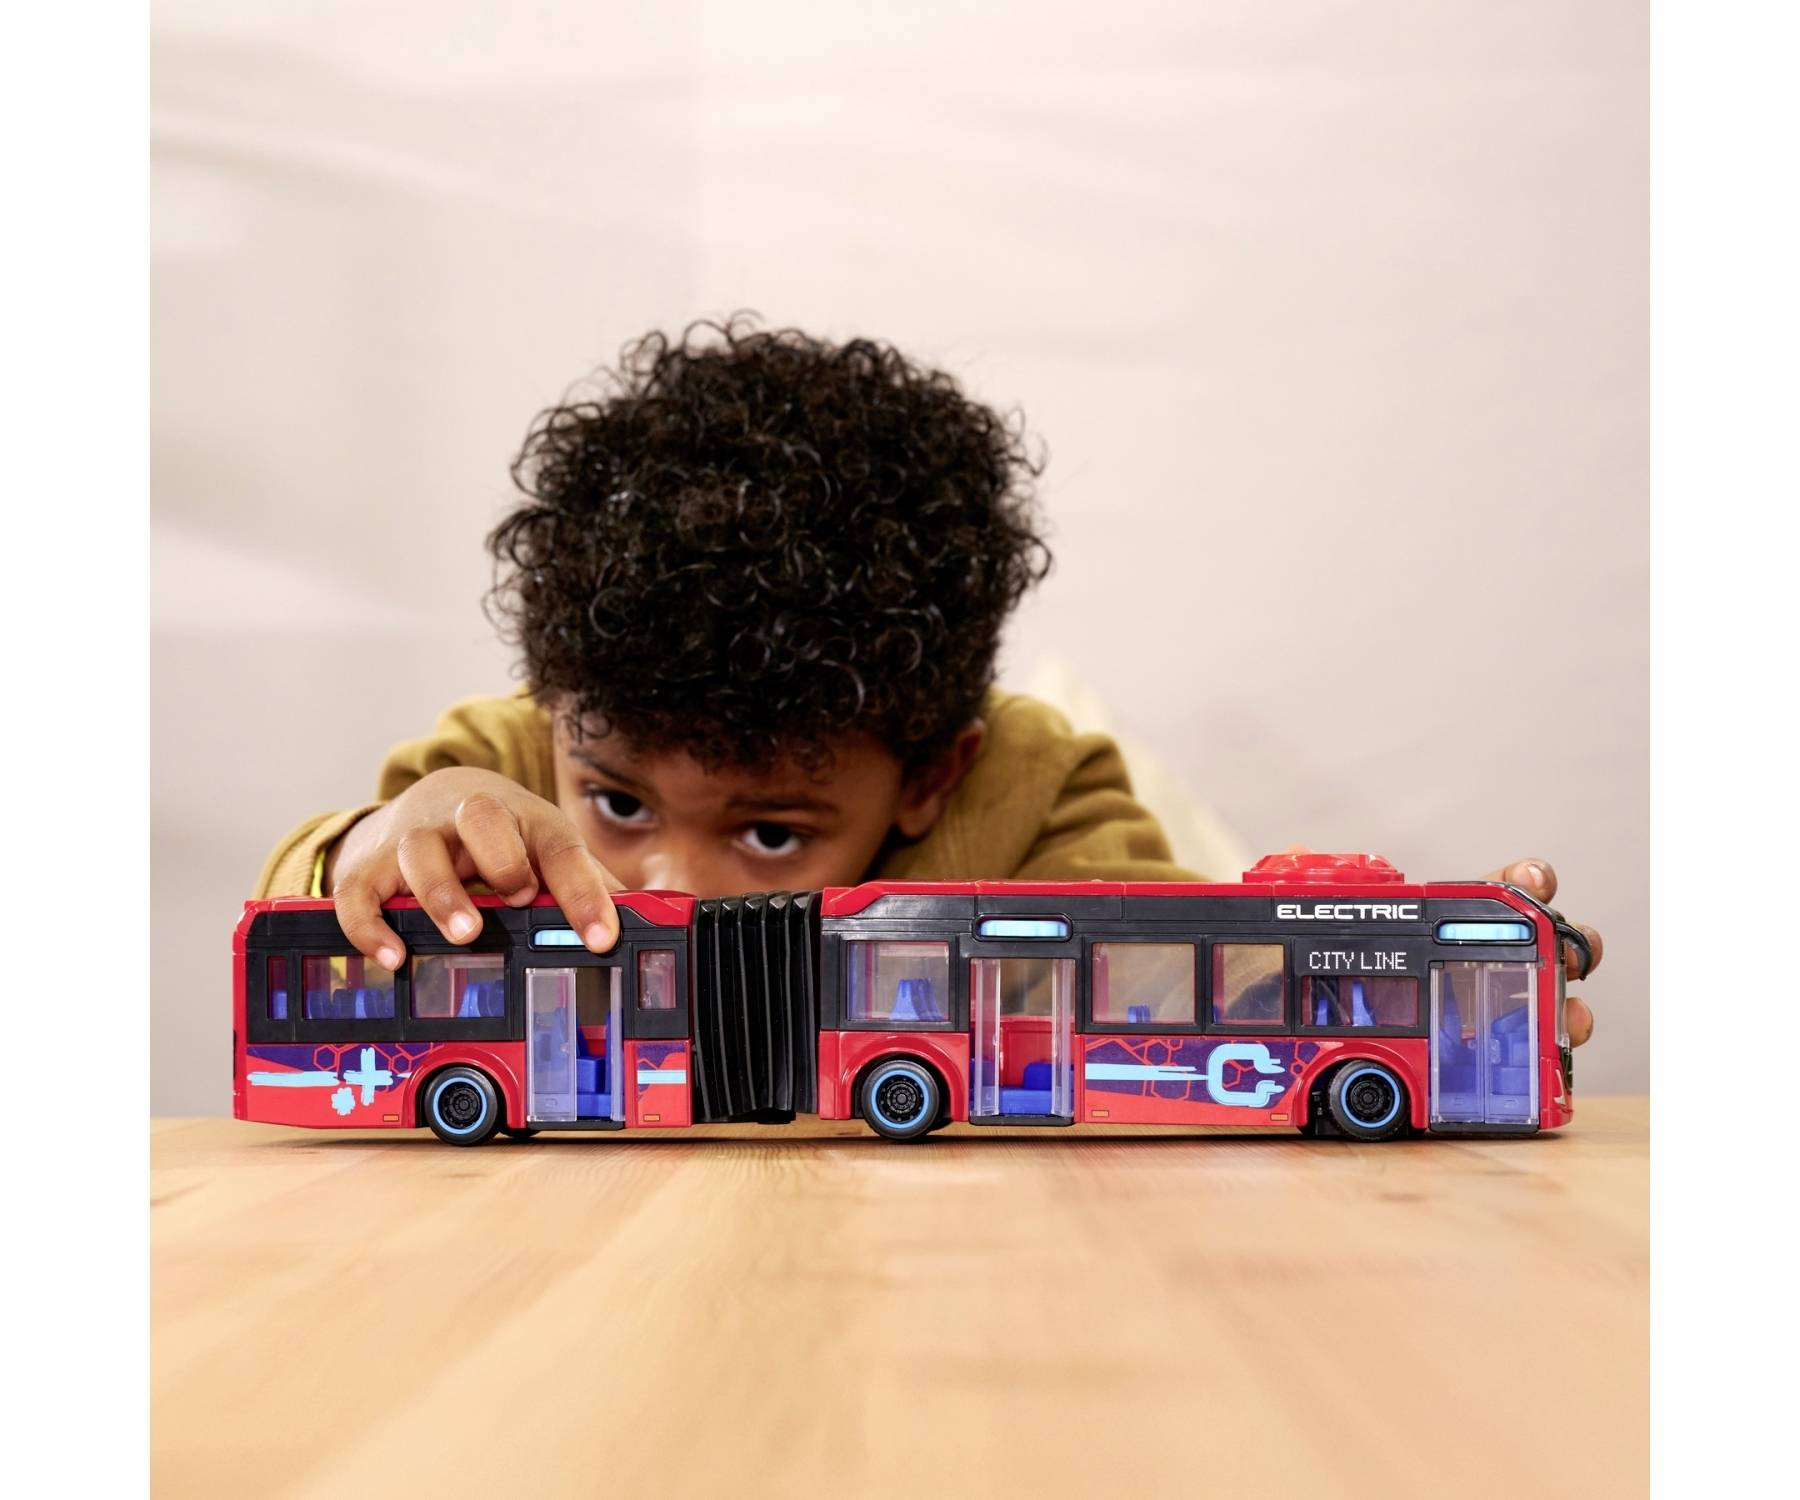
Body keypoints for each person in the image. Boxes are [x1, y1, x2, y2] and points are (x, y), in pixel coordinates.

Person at [254, 318, 1600, 1043]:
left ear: (931, 775)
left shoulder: (1030, 786)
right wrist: (371, 851)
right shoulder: (499, 770)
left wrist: (1410, 989)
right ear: (561, 714)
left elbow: (1186, 978)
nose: (670, 891)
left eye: (769, 831)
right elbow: (330, 894)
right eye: (617, 804)